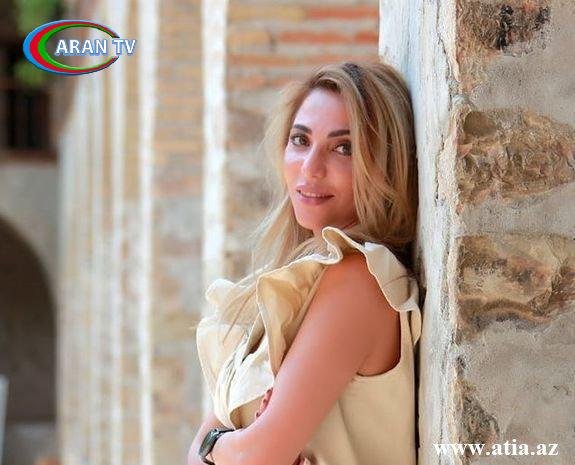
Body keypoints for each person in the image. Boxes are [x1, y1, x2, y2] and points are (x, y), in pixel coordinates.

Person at [188, 61, 422, 465]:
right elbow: (198, 452)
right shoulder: (297, 285)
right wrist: (227, 443)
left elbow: (249, 456)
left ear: (383, 165)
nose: (310, 168)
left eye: (344, 148)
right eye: (300, 140)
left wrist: (218, 444)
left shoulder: (360, 281)